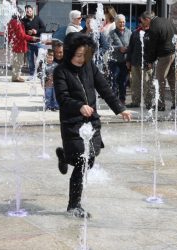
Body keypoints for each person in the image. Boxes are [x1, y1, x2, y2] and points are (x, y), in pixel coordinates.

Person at [53, 32, 131, 218]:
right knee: (82, 161)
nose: (81, 59)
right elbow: (62, 98)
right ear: (70, 52)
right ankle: (74, 205)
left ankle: (64, 156)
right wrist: (79, 106)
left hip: (92, 120)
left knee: (90, 159)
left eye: (84, 55)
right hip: (72, 121)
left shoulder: (89, 67)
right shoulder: (60, 71)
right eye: (78, 55)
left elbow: (104, 88)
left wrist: (120, 109)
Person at [140, 11, 177, 111]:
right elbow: (175, 33)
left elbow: (152, 47)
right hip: (174, 53)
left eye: (143, 21)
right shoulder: (167, 21)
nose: (143, 24)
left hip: (165, 55)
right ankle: (176, 102)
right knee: (172, 79)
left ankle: (161, 105)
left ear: (147, 19)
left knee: (159, 80)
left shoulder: (153, 27)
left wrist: (149, 61)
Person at [125, 20, 153, 109]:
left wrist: (151, 61)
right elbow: (131, 47)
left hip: (146, 63)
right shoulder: (135, 33)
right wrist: (128, 60)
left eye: (143, 21)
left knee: (147, 84)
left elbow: (153, 49)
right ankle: (135, 101)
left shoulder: (151, 33)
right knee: (135, 84)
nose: (141, 23)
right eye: (140, 22)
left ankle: (148, 103)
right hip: (135, 62)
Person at [8, 9, 39, 82]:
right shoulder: (16, 22)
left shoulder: (12, 21)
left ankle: (16, 76)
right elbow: (21, 35)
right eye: (22, 14)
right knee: (18, 61)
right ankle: (16, 77)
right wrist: (32, 37)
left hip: (16, 44)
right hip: (18, 45)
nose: (23, 15)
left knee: (17, 61)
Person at [108, 14, 131, 104]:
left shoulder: (129, 32)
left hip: (125, 61)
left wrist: (129, 59)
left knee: (124, 81)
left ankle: (122, 99)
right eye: (120, 22)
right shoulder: (112, 33)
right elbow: (109, 46)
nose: (122, 24)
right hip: (114, 60)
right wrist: (118, 48)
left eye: (123, 22)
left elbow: (131, 45)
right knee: (114, 79)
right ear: (116, 23)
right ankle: (114, 99)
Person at [22, 5, 45, 80]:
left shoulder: (37, 18)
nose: (29, 13)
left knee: (41, 59)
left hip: (38, 43)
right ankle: (32, 74)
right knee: (30, 60)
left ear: (33, 11)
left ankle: (40, 73)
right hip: (29, 43)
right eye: (27, 11)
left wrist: (36, 31)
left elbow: (43, 28)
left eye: (30, 11)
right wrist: (27, 32)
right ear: (25, 12)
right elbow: (22, 32)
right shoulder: (24, 20)